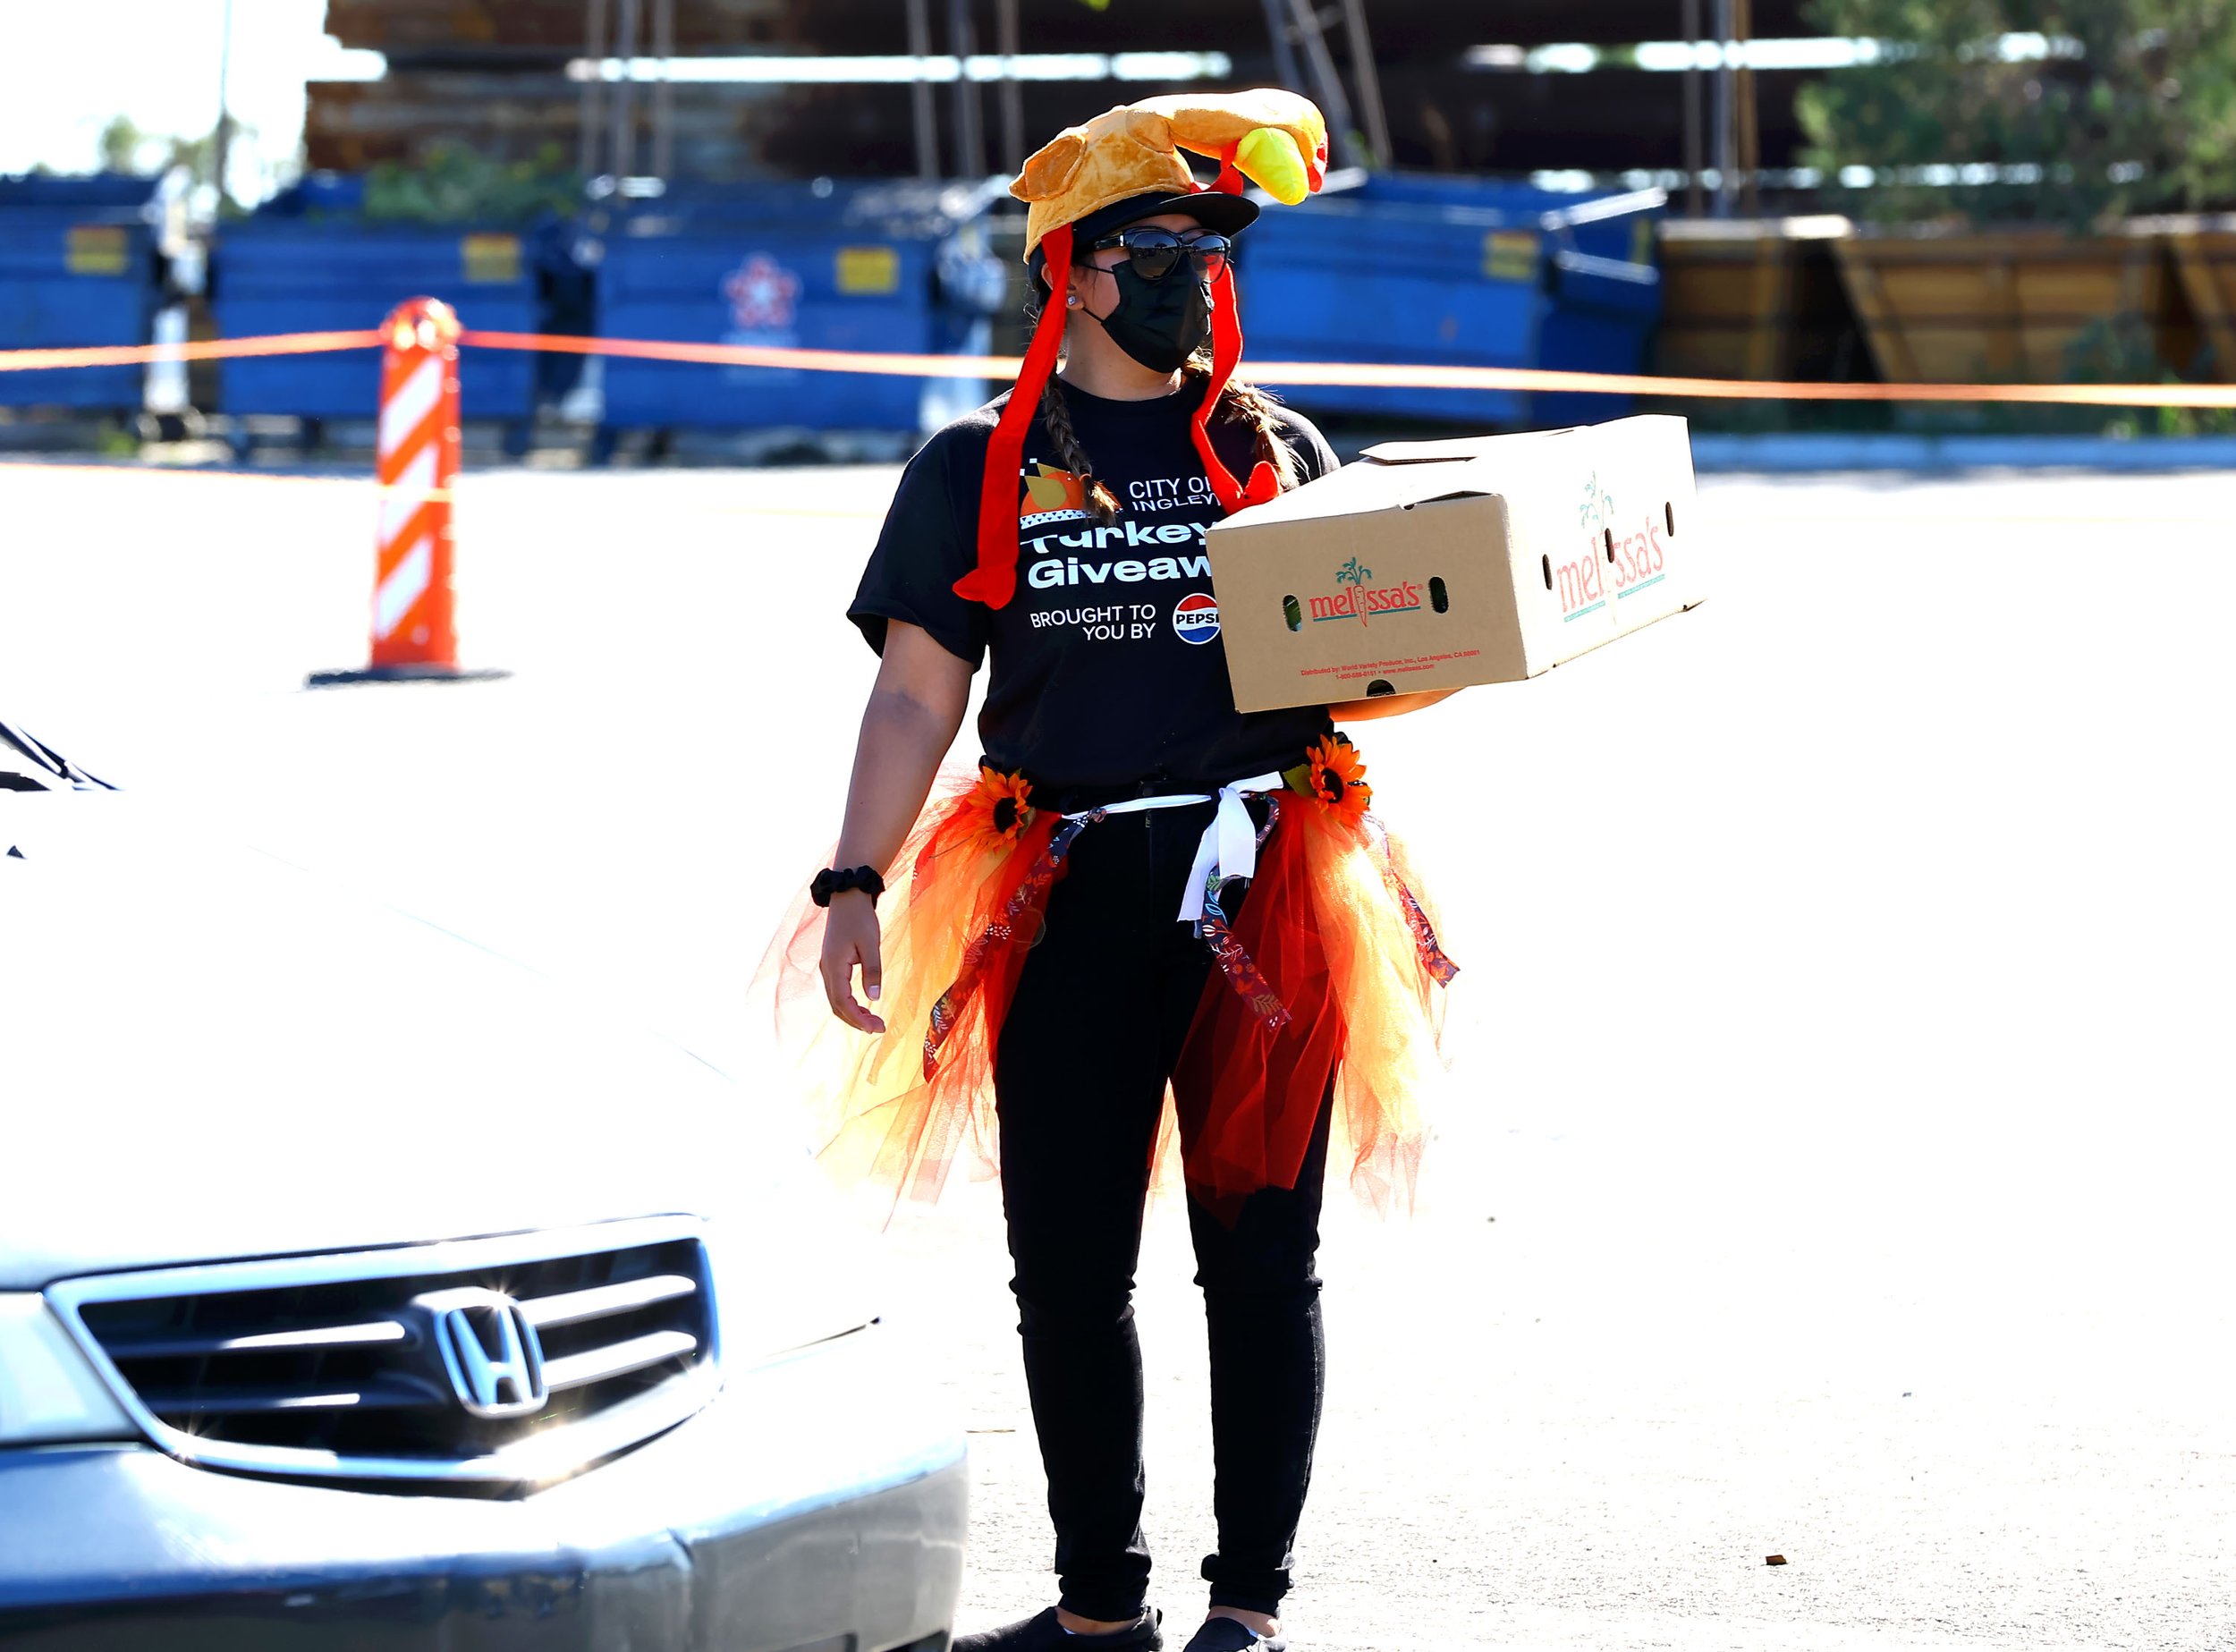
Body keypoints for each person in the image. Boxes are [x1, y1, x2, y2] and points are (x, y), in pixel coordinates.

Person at [777, 90, 1459, 1652]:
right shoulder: (976, 466)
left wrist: (1445, 631)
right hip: (1063, 892)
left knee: (1261, 1264)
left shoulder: (1272, 448)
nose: (1189, 277)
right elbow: (915, 695)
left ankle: (1249, 1610)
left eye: (1206, 251)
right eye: (1153, 249)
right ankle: (1102, 1612)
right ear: (1069, 273)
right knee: (1069, 1273)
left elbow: (1366, 655)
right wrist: (851, 881)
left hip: (1263, 892)